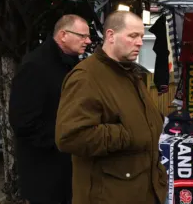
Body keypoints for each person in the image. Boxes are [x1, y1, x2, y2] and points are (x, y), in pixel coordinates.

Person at [55, 11, 167, 204]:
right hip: (108, 195)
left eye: (141, 36)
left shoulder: (129, 73)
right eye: (133, 36)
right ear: (110, 36)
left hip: (141, 191)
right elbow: (70, 136)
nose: (140, 42)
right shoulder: (86, 77)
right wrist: (126, 134)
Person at [9, 14, 91, 204]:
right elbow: (23, 122)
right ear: (63, 35)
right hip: (45, 170)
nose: (88, 41)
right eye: (82, 36)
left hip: (67, 166)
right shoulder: (35, 66)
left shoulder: (72, 64)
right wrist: (65, 139)